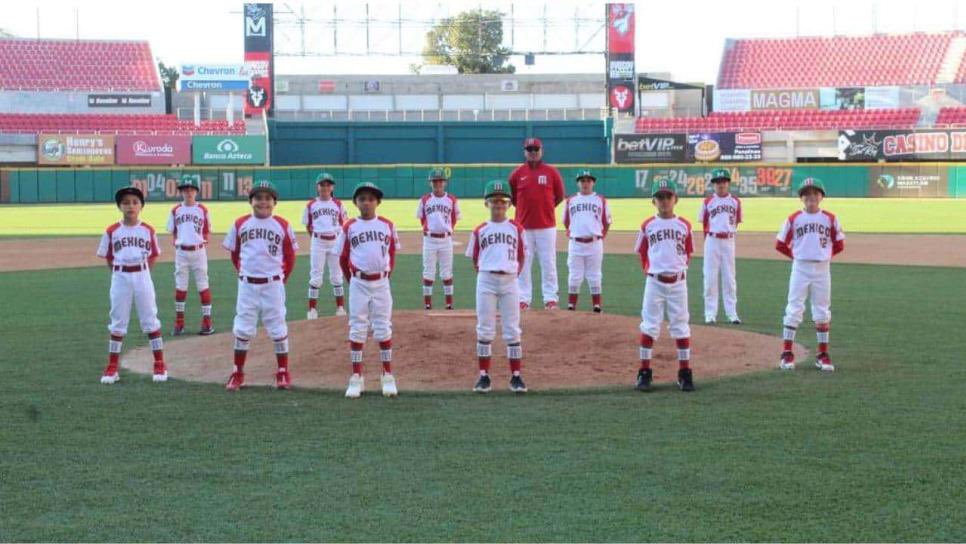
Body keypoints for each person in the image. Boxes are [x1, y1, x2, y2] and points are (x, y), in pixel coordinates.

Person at [223, 182, 298, 391]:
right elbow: (235, 254)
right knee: (243, 326)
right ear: (251, 201)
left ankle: (283, 372)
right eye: (258, 198)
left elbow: (290, 257)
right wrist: (244, 272)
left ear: (274, 202)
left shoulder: (282, 224)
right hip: (247, 284)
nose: (263, 202)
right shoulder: (240, 224)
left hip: (273, 283)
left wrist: (281, 279)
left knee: (277, 325)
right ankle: (238, 372)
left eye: (267, 198)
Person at [337, 182, 401, 398]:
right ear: (355, 203)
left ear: (378, 202)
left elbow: (391, 253)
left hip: (381, 283)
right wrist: (352, 279)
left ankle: (387, 375)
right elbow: (343, 257)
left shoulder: (387, 225)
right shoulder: (349, 226)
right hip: (359, 282)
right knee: (357, 327)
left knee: (383, 327)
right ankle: (356, 378)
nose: (367, 202)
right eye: (362, 198)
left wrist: (385, 276)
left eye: (371, 198)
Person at [96, 186, 166, 384]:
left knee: (150, 318)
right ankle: (112, 367)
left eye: (135, 202)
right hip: (120, 277)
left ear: (141, 206)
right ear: (119, 206)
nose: (130, 206)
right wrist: (120, 273)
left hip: (142, 275)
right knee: (118, 321)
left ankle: (159, 363)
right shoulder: (112, 231)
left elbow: (153, 255)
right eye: (125, 202)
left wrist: (142, 274)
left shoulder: (148, 230)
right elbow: (109, 257)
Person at [775, 177, 845, 372]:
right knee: (794, 308)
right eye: (807, 194)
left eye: (815, 194)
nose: (811, 197)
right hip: (800, 267)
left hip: (822, 268)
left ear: (821, 197)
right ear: (801, 198)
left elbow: (839, 244)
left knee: (822, 310)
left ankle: (822, 354)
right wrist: (796, 256)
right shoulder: (794, 219)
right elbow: (780, 244)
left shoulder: (830, 218)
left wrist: (824, 256)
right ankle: (787, 353)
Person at [633, 179, 696, 392]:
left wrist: (679, 269)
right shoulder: (647, 225)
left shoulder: (685, 225)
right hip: (655, 282)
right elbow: (641, 251)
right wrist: (649, 271)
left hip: (678, 283)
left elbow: (689, 252)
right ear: (653, 201)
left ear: (675, 199)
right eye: (660, 197)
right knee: (650, 325)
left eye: (668, 196)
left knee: (680, 326)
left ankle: (685, 373)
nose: (664, 201)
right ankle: (644, 372)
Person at [465, 180, 528, 394]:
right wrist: (486, 272)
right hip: (486, 279)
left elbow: (521, 255)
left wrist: (512, 273)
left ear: (509, 205)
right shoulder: (480, 230)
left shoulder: (516, 228)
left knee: (512, 329)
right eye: (494, 202)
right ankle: (484, 377)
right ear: (486, 204)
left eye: (502, 202)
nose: (498, 205)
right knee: (484, 327)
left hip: (510, 279)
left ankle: (516, 377)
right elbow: (475, 258)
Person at [508, 137, 565, 310]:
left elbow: (559, 196)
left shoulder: (551, 172)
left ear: (541, 151)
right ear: (525, 152)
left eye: (536, 149)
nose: (533, 153)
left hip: (547, 226)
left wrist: (545, 208)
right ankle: (523, 299)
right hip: (523, 227)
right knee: (523, 263)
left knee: (548, 262)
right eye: (529, 150)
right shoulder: (517, 174)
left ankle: (550, 298)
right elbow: (513, 198)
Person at [166, 178, 214, 336]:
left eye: (191, 189)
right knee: (180, 287)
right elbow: (173, 231)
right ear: (181, 192)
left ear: (196, 191)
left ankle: (207, 322)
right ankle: (179, 323)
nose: (188, 192)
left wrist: (198, 242)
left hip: (199, 252)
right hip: (181, 252)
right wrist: (179, 242)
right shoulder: (175, 210)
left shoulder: (203, 210)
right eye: (185, 189)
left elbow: (206, 231)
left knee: (203, 285)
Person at [562, 170, 612, 312]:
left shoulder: (600, 200)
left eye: (588, 181)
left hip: (594, 243)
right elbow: (566, 221)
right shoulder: (570, 200)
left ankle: (596, 306)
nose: (585, 183)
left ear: (593, 183)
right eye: (582, 181)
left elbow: (607, 221)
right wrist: (575, 233)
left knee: (595, 274)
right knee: (574, 274)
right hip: (575, 243)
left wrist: (600, 235)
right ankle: (571, 305)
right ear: (578, 183)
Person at [697, 168, 742, 324]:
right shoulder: (708, 202)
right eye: (717, 182)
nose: (720, 185)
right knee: (710, 278)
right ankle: (710, 314)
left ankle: (732, 313)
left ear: (728, 183)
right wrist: (708, 241)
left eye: (723, 181)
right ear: (713, 185)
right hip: (712, 240)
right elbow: (704, 224)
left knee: (730, 278)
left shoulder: (735, 202)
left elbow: (736, 222)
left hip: (729, 241)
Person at [302, 172, 348, 319]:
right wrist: (317, 237)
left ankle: (340, 308)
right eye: (322, 184)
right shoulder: (311, 205)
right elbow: (308, 225)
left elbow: (344, 224)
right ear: (317, 187)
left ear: (332, 187)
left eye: (328, 184)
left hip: (335, 241)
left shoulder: (338, 204)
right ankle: (312, 310)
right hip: (318, 242)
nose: (325, 187)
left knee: (337, 276)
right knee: (316, 276)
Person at [416, 168, 461, 310]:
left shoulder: (452, 199)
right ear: (430, 183)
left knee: (447, 272)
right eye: (434, 181)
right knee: (428, 271)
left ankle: (449, 304)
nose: (437, 184)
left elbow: (455, 218)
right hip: (429, 240)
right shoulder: (424, 199)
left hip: (446, 240)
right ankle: (427, 305)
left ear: (445, 182)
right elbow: (422, 218)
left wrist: (446, 230)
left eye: (440, 181)